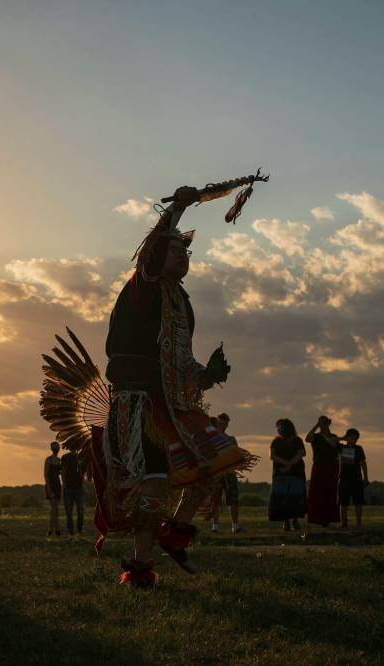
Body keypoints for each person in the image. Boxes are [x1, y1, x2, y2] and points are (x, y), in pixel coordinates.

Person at [98, 185, 254, 587]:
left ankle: (175, 533)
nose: (182, 256)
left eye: (186, 251)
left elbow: (179, 361)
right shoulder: (143, 288)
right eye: (175, 250)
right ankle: (139, 566)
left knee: (217, 461)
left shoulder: (181, 302)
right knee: (152, 485)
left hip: (173, 403)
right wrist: (180, 208)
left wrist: (206, 375)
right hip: (140, 404)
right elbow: (150, 252)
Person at [269, 419, 307, 531]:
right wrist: (286, 464)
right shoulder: (275, 441)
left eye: (279, 427)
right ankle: (285, 521)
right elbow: (272, 456)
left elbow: (301, 454)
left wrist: (289, 464)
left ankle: (295, 520)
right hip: (280, 474)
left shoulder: (297, 440)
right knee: (282, 498)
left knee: (295, 497)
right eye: (277, 427)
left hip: (296, 474)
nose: (277, 429)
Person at [305, 415, 340, 527]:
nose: (323, 425)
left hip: (332, 466)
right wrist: (316, 425)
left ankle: (329, 518)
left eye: (325, 423)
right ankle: (318, 518)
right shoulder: (316, 436)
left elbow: (338, 449)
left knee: (331, 491)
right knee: (317, 492)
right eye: (321, 423)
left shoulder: (333, 436)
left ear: (328, 424)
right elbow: (307, 438)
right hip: (319, 466)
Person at [337, 428, 368, 528]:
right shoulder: (341, 447)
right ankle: (343, 522)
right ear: (347, 437)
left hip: (357, 478)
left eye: (355, 438)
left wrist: (366, 477)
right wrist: (343, 438)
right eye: (351, 437)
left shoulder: (359, 448)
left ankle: (359, 523)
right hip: (344, 477)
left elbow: (363, 463)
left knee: (358, 502)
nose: (353, 439)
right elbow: (330, 441)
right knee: (343, 502)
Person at [61, 449, 85, 535]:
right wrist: (64, 484)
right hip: (68, 487)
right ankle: (71, 531)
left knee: (80, 510)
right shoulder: (65, 457)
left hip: (78, 487)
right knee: (69, 511)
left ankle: (79, 529)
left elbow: (83, 472)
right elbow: (63, 472)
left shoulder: (80, 457)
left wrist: (82, 483)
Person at [44, 441, 62, 536]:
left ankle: (53, 530)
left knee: (56, 509)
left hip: (58, 485)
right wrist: (49, 489)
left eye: (57, 447)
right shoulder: (48, 460)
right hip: (50, 485)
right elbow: (46, 475)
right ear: (51, 449)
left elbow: (60, 473)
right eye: (54, 447)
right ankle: (53, 530)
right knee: (53, 508)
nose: (56, 449)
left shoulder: (59, 460)